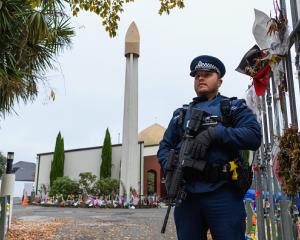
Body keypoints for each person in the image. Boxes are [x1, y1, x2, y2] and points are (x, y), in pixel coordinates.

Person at [157, 55, 262, 240]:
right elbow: (164, 147)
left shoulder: (233, 108)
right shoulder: (180, 115)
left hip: (223, 193)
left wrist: (216, 134)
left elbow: (253, 136)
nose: (201, 78)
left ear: (219, 81)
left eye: (207, 74)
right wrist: (172, 166)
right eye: (197, 76)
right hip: (187, 195)